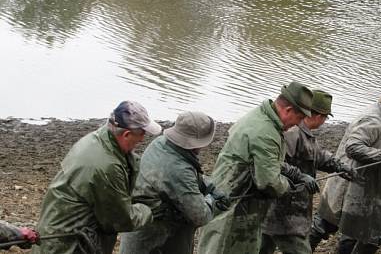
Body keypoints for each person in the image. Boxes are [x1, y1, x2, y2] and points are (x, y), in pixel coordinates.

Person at [197, 82, 315, 254]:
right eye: (299, 118)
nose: (298, 124)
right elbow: (268, 182)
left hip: (234, 199)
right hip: (234, 206)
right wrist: (290, 186)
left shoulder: (261, 116)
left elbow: (267, 160)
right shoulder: (266, 132)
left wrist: (296, 174)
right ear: (288, 110)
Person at [33, 101, 161, 254]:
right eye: (141, 134)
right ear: (126, 134)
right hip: (69, 245)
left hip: (55, 233)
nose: (142, 139)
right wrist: (148, 210)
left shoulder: (97, 139)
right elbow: (121, 220)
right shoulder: (107, 166)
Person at [310, 80, 381, 254]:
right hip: (349, 183)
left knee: (356, 231)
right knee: (325, 226)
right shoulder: (372, 119)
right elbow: (353, 147)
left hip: (364, 186)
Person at [119, 111, 230, 254]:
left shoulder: (161, 143)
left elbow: (190, 177)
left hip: (141, 226)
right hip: (155, 238)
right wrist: (212, 200)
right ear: (197, 142)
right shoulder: (178, 169)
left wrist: (210, 187)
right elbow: (200, 215)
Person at [260, 90, 357, 254]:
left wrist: (339, 166)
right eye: (326, 117)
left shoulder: (305, 134)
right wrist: (299, 176)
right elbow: (277, 163)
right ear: (319, 116)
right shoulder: (293, 132)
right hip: (284, 211)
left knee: (263, 246)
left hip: (286, 211)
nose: (324, 121)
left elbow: (318, 156)